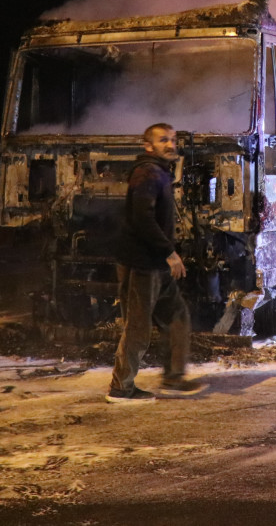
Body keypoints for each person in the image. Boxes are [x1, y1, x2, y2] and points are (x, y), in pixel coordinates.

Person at [108, 123, 204, 402]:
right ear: (148, 146)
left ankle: (174, 377)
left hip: (156, 265)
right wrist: (169, 253)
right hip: (142, 265)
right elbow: (142, 219)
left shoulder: (159, 172)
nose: (170, 144)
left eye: (173, 140)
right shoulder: (147, 173)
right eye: (163, 140)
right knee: (137, 329)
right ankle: (120, 388)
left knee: (177, 317)